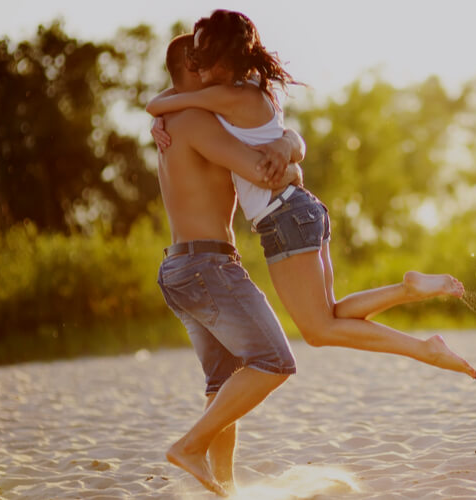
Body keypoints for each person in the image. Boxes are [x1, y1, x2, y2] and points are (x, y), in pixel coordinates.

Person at [147, 10, 476, 381]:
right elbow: (290, 139)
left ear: (223, 59)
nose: (199, 65)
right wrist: (291, 152)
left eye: (205, 57)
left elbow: (160, 102)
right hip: (302, 210)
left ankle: (423, 349)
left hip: (283, 217)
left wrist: (160, 118)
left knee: (318, 331)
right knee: (331, 315)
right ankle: (408, 289)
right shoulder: (256, 87)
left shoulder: (224, 96)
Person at [153, 33, 305, 497]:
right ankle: (190, 445)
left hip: (179, 267)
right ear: (197, 71)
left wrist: (290, 140)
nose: (227, 73)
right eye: (212, 64)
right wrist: (292, 159)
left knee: (222, 385)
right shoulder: (198, 121)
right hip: (207, 265)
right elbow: (264, 171)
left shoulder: (176, 119)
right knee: (275, 361)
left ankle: (225, 488)